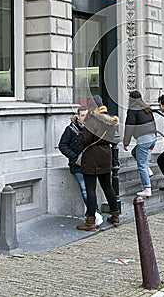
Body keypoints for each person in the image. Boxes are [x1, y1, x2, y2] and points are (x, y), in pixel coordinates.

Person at [77, 95, 120, 231]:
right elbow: (113, 138)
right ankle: (115, 215)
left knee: (90, 189)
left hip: (92, 157)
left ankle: (90, 221)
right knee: (108, 187)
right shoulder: (110, 120)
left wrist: (80, 133)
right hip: (106, 155)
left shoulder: (92, 120)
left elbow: (85, 139)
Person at [58, 107, 103, 228]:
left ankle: (92, 213)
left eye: (86, 115)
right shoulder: (70, 129)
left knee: (91, 189)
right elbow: (62, 145)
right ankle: (95, 213)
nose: (85, 118)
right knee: (84, 188)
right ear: (77, 116)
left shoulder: (92, 129)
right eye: (82, 115)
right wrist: (75, 157)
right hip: (77, 165)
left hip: (90, 163)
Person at [123, 90, 157, 197]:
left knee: (141, 165)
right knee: (135, 153)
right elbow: (153, 123)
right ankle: (148, 170)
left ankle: (147, 188)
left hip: (143, 139)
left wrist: (126, 142)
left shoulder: (133, 110)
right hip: (152, 136)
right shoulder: (146, 108)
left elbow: (129, 127)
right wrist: (154, 140)